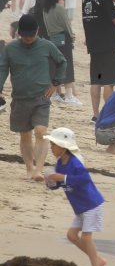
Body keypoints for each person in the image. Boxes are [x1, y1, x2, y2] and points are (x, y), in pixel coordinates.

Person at [0, 14, 67, 181]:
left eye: (31, 34)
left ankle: (38, 170)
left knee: (41, 131)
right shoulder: (10, 48)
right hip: (20, 98)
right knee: (25, 135)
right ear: (18, 32)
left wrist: (55, 83)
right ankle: (29, 168)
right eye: (25, 35)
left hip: (41, 98)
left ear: (37, 31)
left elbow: (62, 62)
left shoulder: (47, 46)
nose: (28, 38)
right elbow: (2, 70)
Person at [43, 127, 106, 266]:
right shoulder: (59, 163)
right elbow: (58, 184)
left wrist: (61, 178)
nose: (51, 148)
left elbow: (84, 179)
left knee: (86, 238)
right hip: (80, 207)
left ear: (64, 147)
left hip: (91, 204)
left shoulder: (75, 163)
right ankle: (98, 259)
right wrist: (51, 182)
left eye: (53, 145)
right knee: (71, 235)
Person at [42, 0, 81, 106]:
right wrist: (71, 36)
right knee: (67, 66)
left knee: (54, 67)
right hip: (63, 40)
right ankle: (69, 95)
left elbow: (47, 27)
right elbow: (66, 25)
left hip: (52, 39)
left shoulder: (46, 8)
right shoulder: (59, 8)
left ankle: (54, 94)